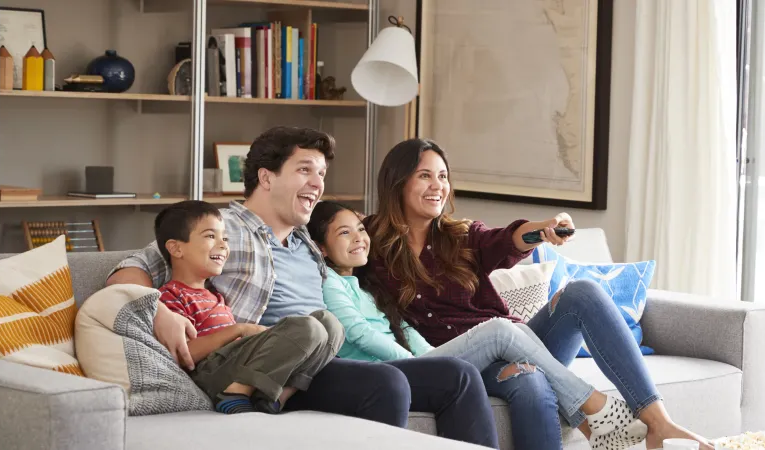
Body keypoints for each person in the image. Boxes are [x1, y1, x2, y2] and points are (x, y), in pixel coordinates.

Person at [106, 127, 498, 448]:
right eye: (305, 170)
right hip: (266, 368)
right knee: (386, 383)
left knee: (458, 376)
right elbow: (128, 270)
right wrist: (158, 311)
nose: (317, 184)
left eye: (322, 174)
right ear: (266, 177)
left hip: (323, 361)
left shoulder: (307, 242)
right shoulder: (223, 229)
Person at [361, 138, 715, 450]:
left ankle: (658, 422)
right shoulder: (368, 243)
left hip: (516, 341)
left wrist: (545, 229)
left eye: (443, 176)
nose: (438, 185)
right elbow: (336, 263)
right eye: (425, 175)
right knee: (529, 379)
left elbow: (510, 239)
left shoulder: (461, 237)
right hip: (459, 365)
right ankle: (593, 415)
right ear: (398, 181)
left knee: (583, 293)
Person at [309, 200, 649, 450]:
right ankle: (594, 405)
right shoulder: (331, 285)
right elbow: (359, 333)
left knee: (518, 331)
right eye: (344, 233)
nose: (359, 238)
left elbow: (403, 328)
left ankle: (599, 421)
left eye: (360, 229)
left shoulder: (363, 285)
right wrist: (413, 361)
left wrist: (429, 357)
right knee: (500, 331)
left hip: (420, 361)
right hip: (392, 371)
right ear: (322, 248)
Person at [153, 200, 343, 415]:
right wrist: (239, 329)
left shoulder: (215, 295)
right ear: (176, 248)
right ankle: (234, 393)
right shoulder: (171, 295)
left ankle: (279, 396)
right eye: (210, 236)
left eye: (225, 238)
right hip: (211, 373)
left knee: (330, 324)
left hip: (238, 363)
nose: (223, 245)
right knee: (307, 327)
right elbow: (184, 355)